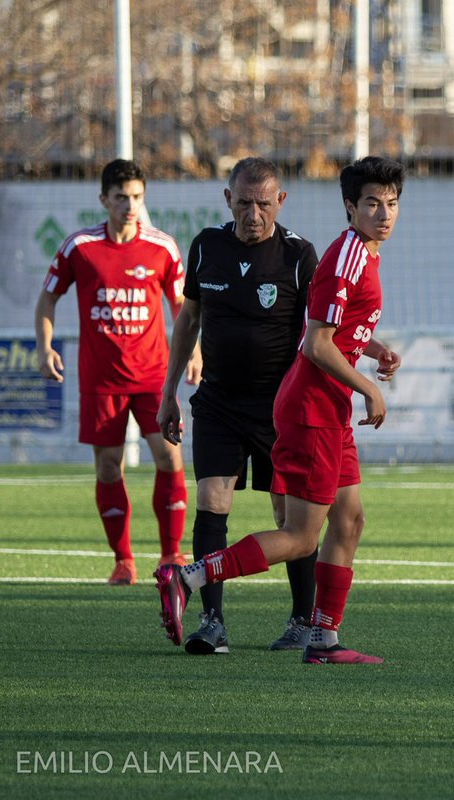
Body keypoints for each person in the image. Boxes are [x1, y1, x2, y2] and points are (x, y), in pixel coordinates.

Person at [154, 156, 405, 663]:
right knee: (297, 534)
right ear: (350, 207)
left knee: (349, 518)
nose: (384, 213)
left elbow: (329, 323)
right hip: (308, 406)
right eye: (373, 203)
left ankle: (321, 637)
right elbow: (317, 345)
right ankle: (189, 578)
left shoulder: (346, 254)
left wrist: (373, 351)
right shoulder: (349, 256)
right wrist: (369, 388)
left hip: (321, 405)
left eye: (392, 203)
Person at [157, 157, 321, 655]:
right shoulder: (208, 246)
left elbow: (323, 332)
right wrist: (169, 394)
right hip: (219, 403)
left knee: (289, 518)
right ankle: (212, 622)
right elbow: (188, 321)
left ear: (281, 202)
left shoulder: (298, 255)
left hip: (281, 408)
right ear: (228, 199)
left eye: (264, 204)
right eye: (245, 203)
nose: (254, 214)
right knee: (212, 502)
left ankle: (301, 621)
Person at [34, 158, 194, 586]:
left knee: (169, 456)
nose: (130, 205)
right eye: (122, 197)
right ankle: (123, 560)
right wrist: (44, 346)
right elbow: (47, 299)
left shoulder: (162, 247)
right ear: (104, 199)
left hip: (154, 376)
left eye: (138, 197)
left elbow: (181, 307)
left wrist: (193, 351)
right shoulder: (79, 247)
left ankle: (171, 554)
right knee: (108, 467)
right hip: (101, 380)